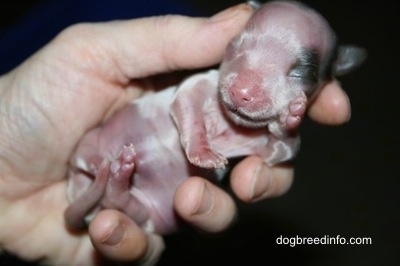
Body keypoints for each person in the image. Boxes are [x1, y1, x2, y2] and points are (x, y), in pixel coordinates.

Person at [0, 3, 351, 265]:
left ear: (322, 83)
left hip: (146, 204)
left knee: (148, 218)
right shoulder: (205, 85)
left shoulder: (263, 139)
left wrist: (284, 131)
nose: (245, 87)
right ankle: (106, 179)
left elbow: (281, 154)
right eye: (241, 47)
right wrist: (196, 141)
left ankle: (115, 189)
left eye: (294, 72)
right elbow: (184, 101)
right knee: (94, 151)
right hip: (95, 155)